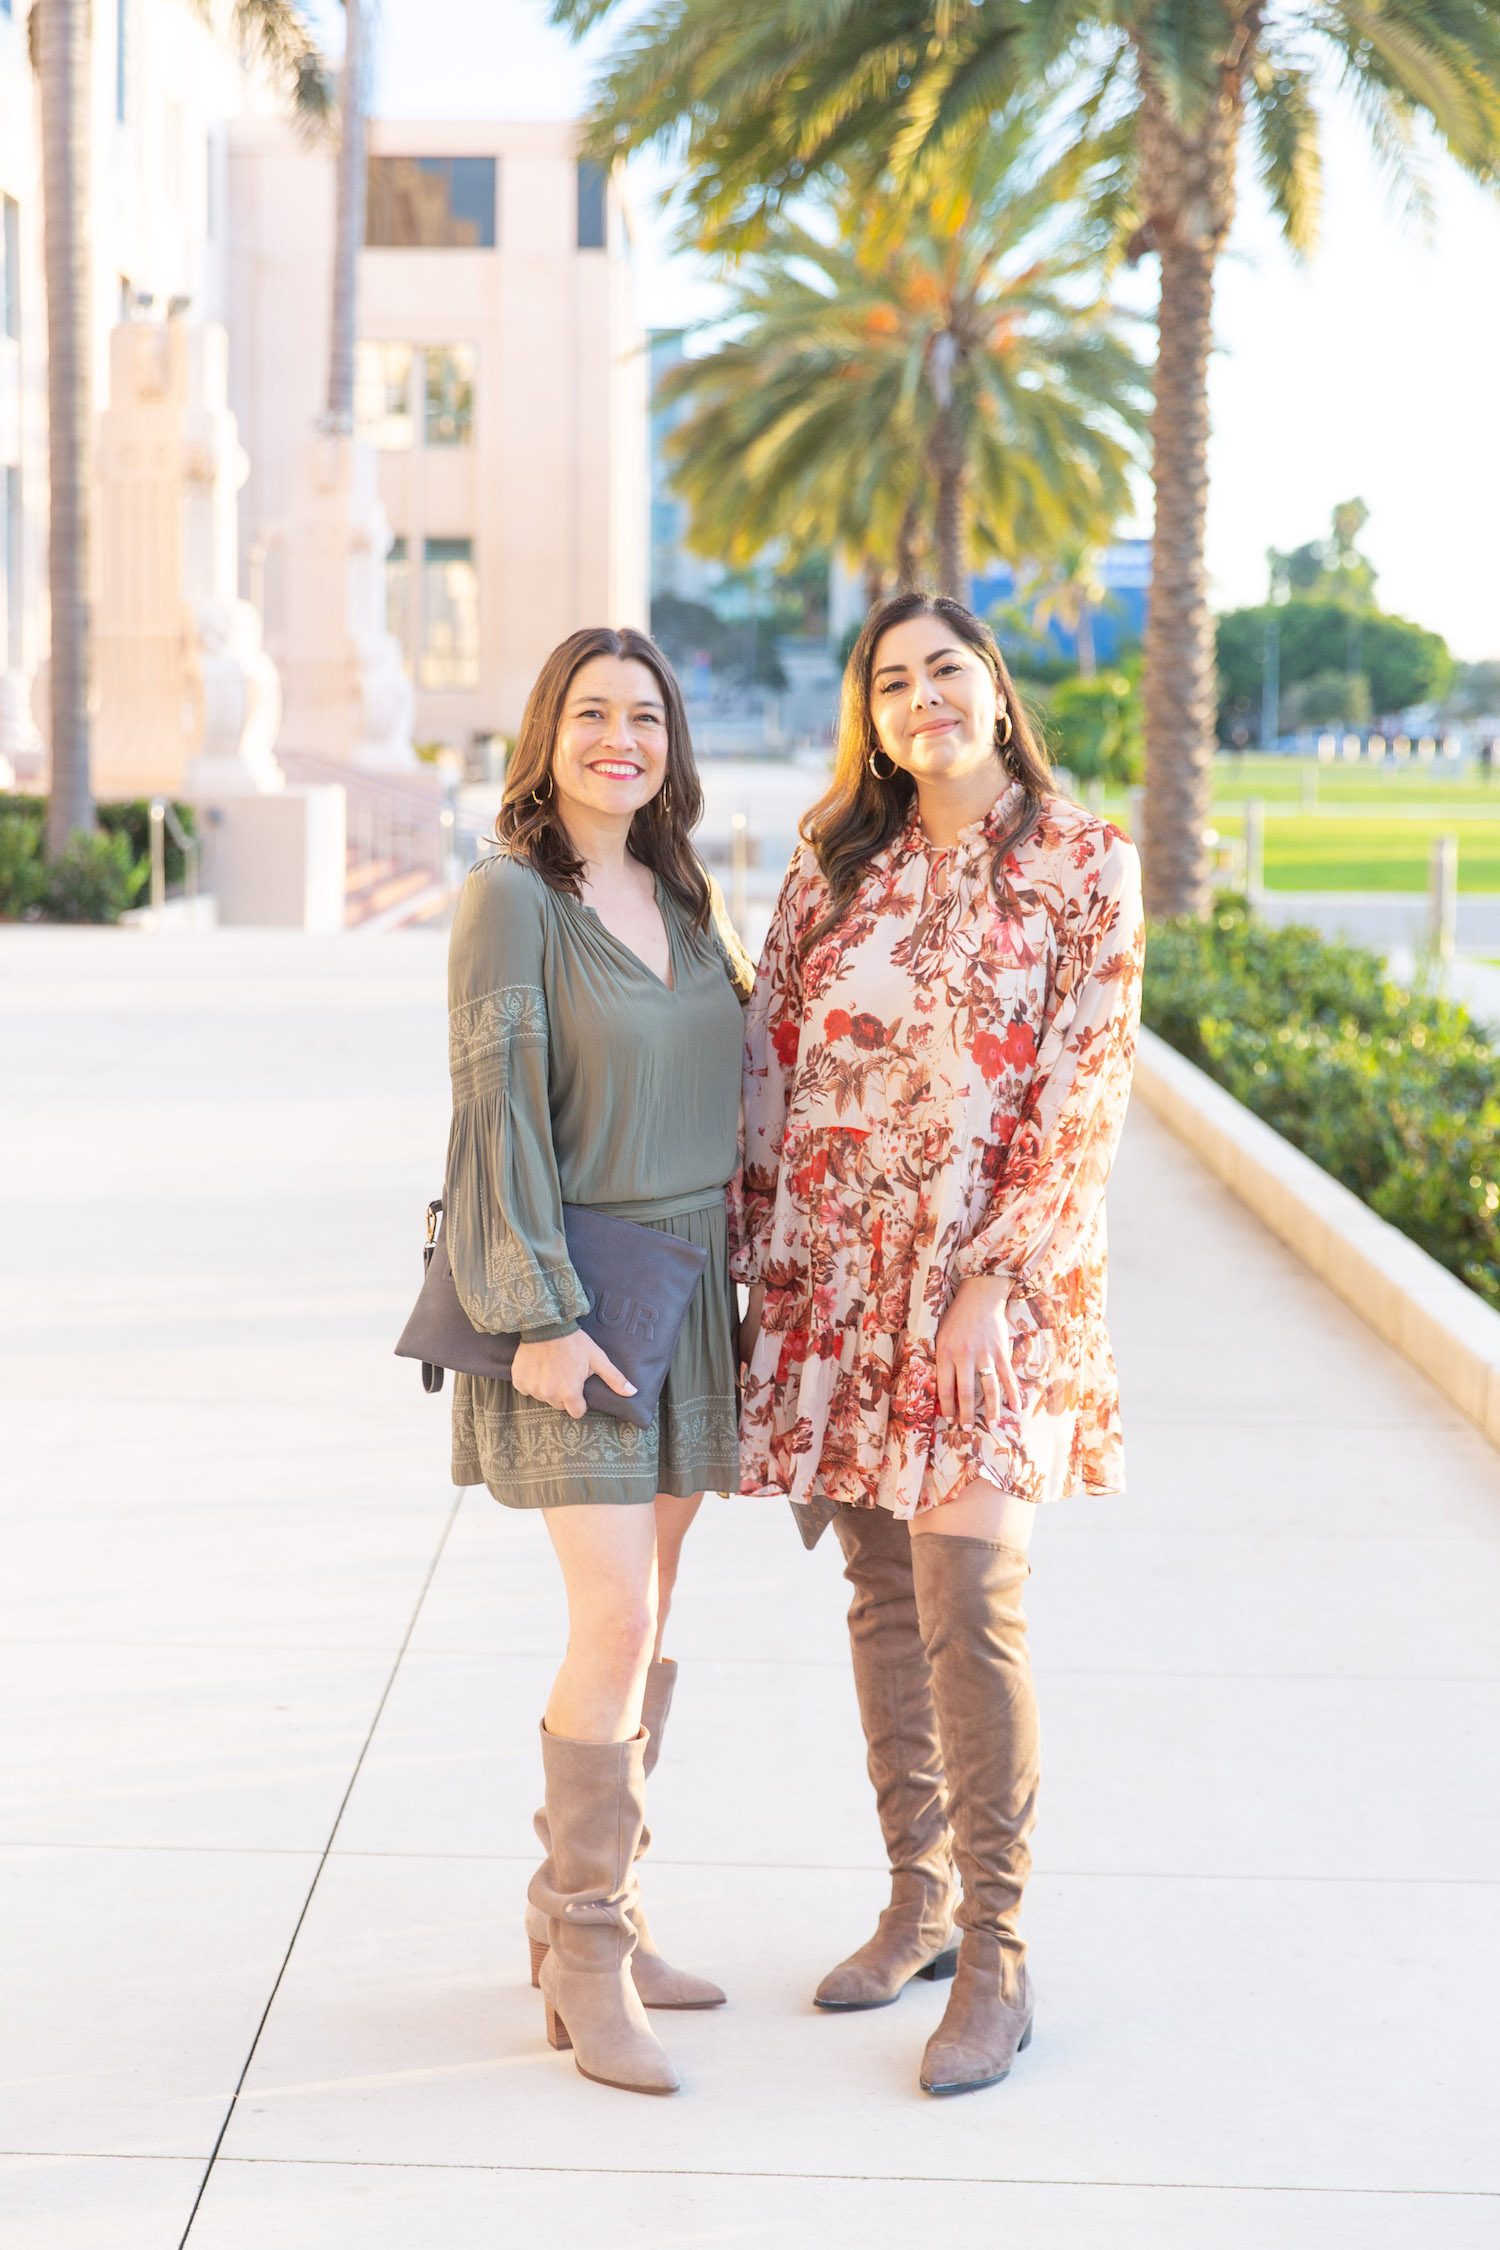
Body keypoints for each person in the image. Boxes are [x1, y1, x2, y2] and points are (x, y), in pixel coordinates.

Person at [733, 591, 1143, 2096]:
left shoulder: (1085, 864)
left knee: (972, 1595)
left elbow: (1083, 1097)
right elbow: (769, 1068)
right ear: (873, 716)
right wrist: (755, 1283)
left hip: (992, 1295)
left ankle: (1000, 1956)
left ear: (994, 689)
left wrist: (988, 1280)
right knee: (882, 1590)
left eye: (945, 670)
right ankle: (916, 1896)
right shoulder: (833, 866)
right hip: (840, 1287)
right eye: (892, 682)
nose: (922, 699)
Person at [443, 626, 750, 2097]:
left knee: (657, 1606)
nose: (619, 735)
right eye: (591, 712)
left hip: (694, 1292)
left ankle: (601, 1912)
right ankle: (582, 1945)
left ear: (671, 746)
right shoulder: (512, 898)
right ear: (545, 732)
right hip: (581, 1292)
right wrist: (540, 1315)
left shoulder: (684, 898)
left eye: (645, 714)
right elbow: (492, 1109)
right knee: (613, 1616)